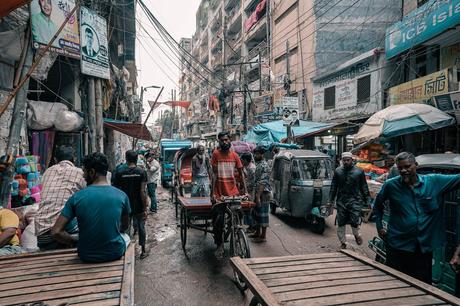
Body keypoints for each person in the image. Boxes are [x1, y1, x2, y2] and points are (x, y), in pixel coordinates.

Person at [374, 152, 460, 284]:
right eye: (400, 168)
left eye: (407, 166)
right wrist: (380, 227)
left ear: (416, 165)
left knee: (421, 286)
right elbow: (377, 206)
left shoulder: (434, 182)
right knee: (393, 284)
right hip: (397, 245)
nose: (404, 171)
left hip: (423, 248)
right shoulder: (391, 185)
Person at [51, 153, 131, 263]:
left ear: (92, 172)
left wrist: (75, 241)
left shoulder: (76, 197)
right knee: (126, 237)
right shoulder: (122, 195)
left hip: (86, 255)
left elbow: (56, 232)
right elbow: (125, 226)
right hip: (114, 253)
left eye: (84, 172)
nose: (83, 176)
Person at [35, 146, 86, 250]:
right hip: (64, 230)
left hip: (41, 234)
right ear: (74, 158)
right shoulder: (79, 172)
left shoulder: (47, 172)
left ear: (55, 159)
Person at [210, 131, 247, 259]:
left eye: (226, 140)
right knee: (218, 221)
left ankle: (236, 232)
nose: (224, 142)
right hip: (219, 193)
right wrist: (212, 194)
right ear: (219, 142)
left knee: (239, 213)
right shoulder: (215, 154)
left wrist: (245, 191)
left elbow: (241, 174)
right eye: (222, 140)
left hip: (233, 192)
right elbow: (214, 174)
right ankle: (219, 244)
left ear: (229, 140)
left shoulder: (235, 155)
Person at [329, 152, 370, 249]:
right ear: (342, 160)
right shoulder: (338, 171)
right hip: (341, 200)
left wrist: (367, 200)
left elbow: (364, 187)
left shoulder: (359, 172)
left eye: (348, 160)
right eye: (344, 160)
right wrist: (330, 201)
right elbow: (333, 187)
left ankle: (356, 234)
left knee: (355, 220)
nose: (346, 162)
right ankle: (343, 242)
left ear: (352, 160)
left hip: (355, 200)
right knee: (341, 221)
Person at [113, 150, 149, 259]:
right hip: (138, 204)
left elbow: (117, 191)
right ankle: (143, 250)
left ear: (126, 159)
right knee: (141, 226)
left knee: (125, 227)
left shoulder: (119, 172)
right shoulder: (141, 172)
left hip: (124, 205)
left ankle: (126, 250)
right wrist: (145, 207)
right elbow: (142, 192)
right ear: (137, 158)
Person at [249, 146, 272, 243]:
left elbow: (263, 182)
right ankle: (257, 232)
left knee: (263, 214)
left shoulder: (264, 165)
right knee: (256, 213)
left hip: (263, 193)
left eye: (257, 154)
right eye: (255, 153)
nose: (255, 155)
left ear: (262, 154)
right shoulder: (258, 164)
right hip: (257, 192)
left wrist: (258, 196)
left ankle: (263, 236)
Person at [241, 153, 256, 232]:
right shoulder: (246, 167)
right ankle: (250, 226)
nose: (241, 161)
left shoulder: (251, 168)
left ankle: (252, 226)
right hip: (247, 190)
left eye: (242, 160)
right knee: (246, 209)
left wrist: (246, 190)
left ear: (246, 160)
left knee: (249, 209)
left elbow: (253, 182)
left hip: (251, 191)